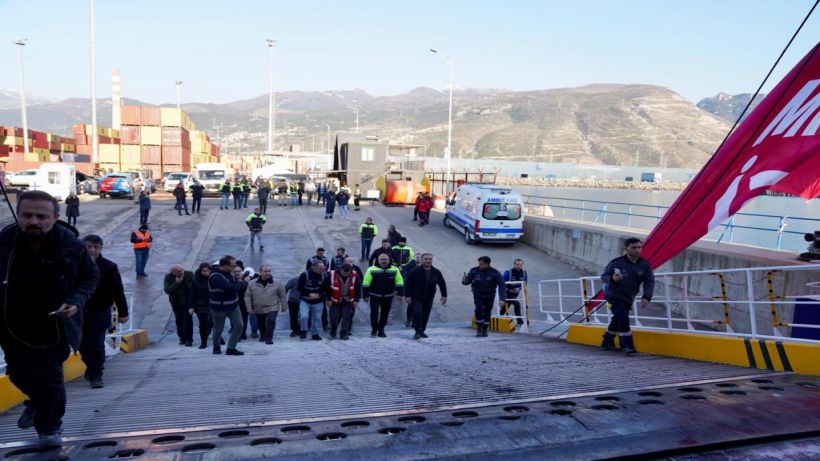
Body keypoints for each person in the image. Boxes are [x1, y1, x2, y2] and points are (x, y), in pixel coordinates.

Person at [0, 191, 99, 445]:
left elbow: (90, 277)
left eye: (41, 216)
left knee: (51, 377)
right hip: (13, 323)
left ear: (55, 217)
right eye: (27, 215)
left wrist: (75, 302)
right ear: (19, 215)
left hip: (55, 323)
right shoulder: (4, 242)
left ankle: (50, 428)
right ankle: (35, 401)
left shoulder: (71, 245)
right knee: (18, 374)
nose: (34, 221)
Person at [80, 235, 129, 389]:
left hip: (100, 310)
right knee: (82, 345)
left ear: (101, 248)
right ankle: (90, 366)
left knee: (96, 344)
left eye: (96, 247)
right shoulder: (74, 265)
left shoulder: (109, 267)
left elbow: (118, 290)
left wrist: (123, 312)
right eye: (89, 246)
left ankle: (97, 375)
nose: (92, 250)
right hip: (78, 311)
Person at [601, 237, 655, 354]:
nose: (637, 250)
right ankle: (627, 345)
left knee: (618, 318)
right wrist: (612, 278)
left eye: (639, 247)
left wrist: (646, 296)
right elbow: (604, 277)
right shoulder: (616, 263)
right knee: (624, 318)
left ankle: (607, 341)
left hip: (629, 297)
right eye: (634, 247)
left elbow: (649, 281)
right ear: (625, 248)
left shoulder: (645, 265)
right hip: (614, 296)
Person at [208, 255, 248, 355]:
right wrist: (243, 283)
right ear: (225, 265)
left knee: (239, 325)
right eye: (233, 266)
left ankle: (231, 348)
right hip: (219, 308)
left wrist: (238, 282)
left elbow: (234, 285)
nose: (235, 268)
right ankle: (216, 347)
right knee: (218, 329)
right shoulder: (215, 276)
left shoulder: (229, 273)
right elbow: (229, 287)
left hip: (233, 306)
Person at [405, 253, 447, 340]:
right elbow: (407, 284)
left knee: (425, 315)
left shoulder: (436, 272)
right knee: (417, 313)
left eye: (430, 259)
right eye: (426, 259)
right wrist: (408, 296)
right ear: (422, 260)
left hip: (429, 297)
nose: (428, 260)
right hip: (416, 297)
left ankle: (422, 331)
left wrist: (444, 295)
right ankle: (417, 331)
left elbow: (442, 284)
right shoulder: (414, 271)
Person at [462, 256, 506, 338]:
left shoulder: (495, 273)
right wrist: (464, 281)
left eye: (481, 264)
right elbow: (468, 281)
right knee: (478, 309)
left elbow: (502, 286)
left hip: (490, 295)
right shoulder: (474, 270)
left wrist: (502, 299)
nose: (479, 266)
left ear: (487, 264)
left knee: (487, 311)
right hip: (478, 294)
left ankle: (485, 328)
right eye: (479, 264)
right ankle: (479, 327)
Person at [363, 254, 404, 338]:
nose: (384, 261)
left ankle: (381, 330)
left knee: (385, 314)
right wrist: (365, 295)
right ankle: (374, 329)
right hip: (374, 295)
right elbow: (366, 283)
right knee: (374, 313)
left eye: (386, 259)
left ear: (389, 260)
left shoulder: (395, 269)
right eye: (381, 259)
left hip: (388, 296)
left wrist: (400, 294)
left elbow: (399, 281)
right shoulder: (371, 269)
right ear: (378, 260)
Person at [244, 265, 287, 344]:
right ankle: (263, 335)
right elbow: (247, 296)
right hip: (258, 307)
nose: (268, 273)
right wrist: (249, 308)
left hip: (273, 306)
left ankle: (269, 338)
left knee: (271, 320)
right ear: (260, 272)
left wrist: (284, 306)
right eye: (265, 271)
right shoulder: (252, 283)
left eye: (269, 271)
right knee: (261, 322)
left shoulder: (277, 282)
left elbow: (282, 295)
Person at [327, 263, 362, 340]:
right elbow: (326, 288)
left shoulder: (355, 275)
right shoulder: (331, 274)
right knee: (334, 317)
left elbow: (358, 288)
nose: (346, 274)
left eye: (348, 273)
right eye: (344, 273)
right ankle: (333, 331)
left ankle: (343, 333)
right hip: (335, 300)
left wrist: (356, 300)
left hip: (348, 300)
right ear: (340, 270)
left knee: (346, 317)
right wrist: (328, 299)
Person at [298, 261, 330, 340]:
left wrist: (319, 294)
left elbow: (326, 288)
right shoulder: (304, 275)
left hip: (318, 301)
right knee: (304, 316)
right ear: (314, 268)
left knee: (317, 318)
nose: (323, 270)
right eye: (321, 268)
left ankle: (315, 333)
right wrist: (309, 294)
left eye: (324, 268)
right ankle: (303, 331)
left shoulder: (324, 275)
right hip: (305, 300)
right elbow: (299, 287)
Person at [163, 264, 194, 346]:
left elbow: (194, 287)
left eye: (182, 270)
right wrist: (176, 282)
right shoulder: (168, 277)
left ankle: (189, 339)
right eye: (179, 271)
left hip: (188, 302)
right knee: (179, 320)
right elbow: (167, 290)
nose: (182, 272)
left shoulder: (189, 274)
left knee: (188, 320)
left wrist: (185, 281)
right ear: (173, 273)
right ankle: (182, 337)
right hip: (176, 303)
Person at [188, 262, 213, 349]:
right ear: (200, 271)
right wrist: (191, 307)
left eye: (207, 271)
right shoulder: (196, 281)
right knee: (203, 324)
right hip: (200, 305)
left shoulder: (213, 278)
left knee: (213, 322)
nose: (206, 272)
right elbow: (192, 295)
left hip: (213, 304)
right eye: (204, 271)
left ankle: (217, 337)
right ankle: (203, 342)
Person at [502, 259, 528, 326]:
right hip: (507, 292)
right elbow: (502, 283)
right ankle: (519, 321)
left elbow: (525, 284)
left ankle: (499, 316)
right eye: (517, 265)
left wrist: (519, 288)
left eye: (520, 265)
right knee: (517, 304)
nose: (519, 266)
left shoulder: (524, 273)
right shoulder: (508, 273)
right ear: (514, 265)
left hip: (516, 293)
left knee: (507, 305)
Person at [402, 254, 423, 327]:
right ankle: (408, 320)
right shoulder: (410, 266)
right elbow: (406, 279)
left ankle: (414, 322)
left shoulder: (423, 266)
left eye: (419, 258)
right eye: (417, 257)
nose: (418, 259)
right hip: (411, 289)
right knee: (410, 306)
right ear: (414, 258)